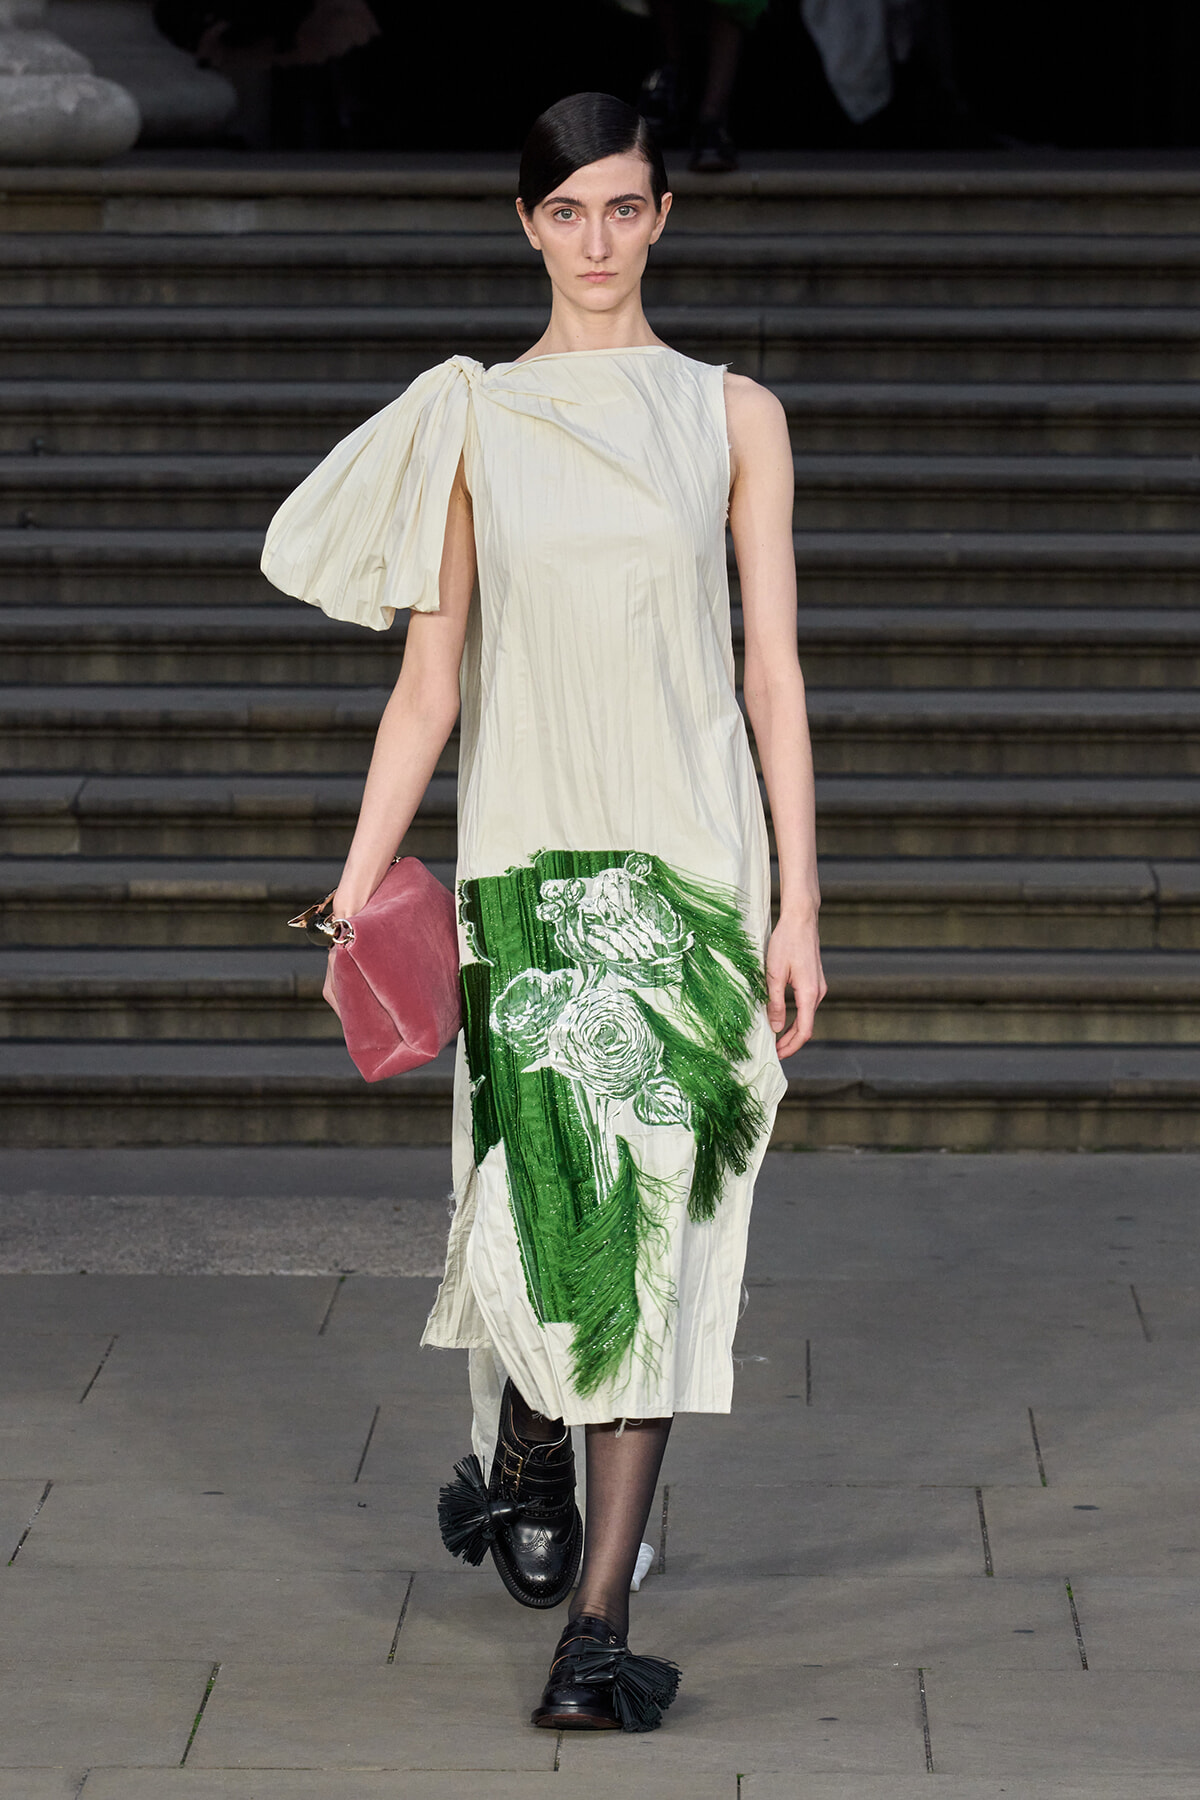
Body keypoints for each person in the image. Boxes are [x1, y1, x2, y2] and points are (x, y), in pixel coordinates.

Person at [261, 89, 825, 1733]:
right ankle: (522, 1454)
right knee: (545, 1228)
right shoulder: (472, 423)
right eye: (566, 210)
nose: (595, 239)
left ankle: (592, 1631)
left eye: (625, 207)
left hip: (695, 868)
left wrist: (798, 906)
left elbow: (772, 672)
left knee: (655, 1235)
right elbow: (428, 689)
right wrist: (360, 890)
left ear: (663, 218)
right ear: (528, 225)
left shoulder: (733, 415)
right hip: (534, 868)